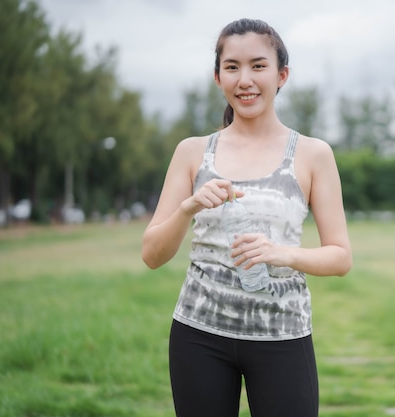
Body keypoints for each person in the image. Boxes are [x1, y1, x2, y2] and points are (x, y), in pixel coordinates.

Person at [141, 18, 352, 417]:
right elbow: (152, 255)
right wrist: (190, 207)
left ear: (281, 75)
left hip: (282, 335)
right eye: (232, 67)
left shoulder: (312, 154)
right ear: (217, 77)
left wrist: (281, 253)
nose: (245, 79)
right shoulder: (192, 152)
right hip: (199, 336)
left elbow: (340, 257)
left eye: (258, 65)